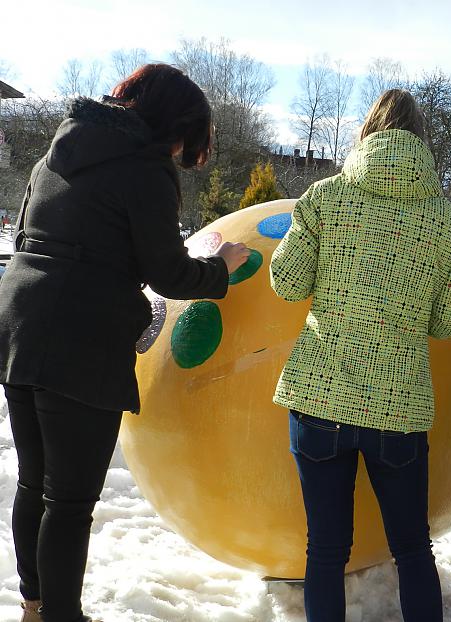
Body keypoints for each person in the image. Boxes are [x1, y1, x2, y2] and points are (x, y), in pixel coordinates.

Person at [0, 64, 250, 622]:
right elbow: (170, 274)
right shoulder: (145, 170)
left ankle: (35, 605)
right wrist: (220, 268)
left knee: (35, 482)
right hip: (79, 339)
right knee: (68, 499)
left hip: (18, 321)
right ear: (173, 123)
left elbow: (26, 238)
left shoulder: (55, 154)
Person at [270, 88, 451, 622]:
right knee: (412, 548)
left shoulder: (324, 198)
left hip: (320, 398)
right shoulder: (449, 224)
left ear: (368, 133)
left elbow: (288, 285)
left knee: (326, 550)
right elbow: (449, 322)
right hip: (398, 408)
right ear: (422, 141)